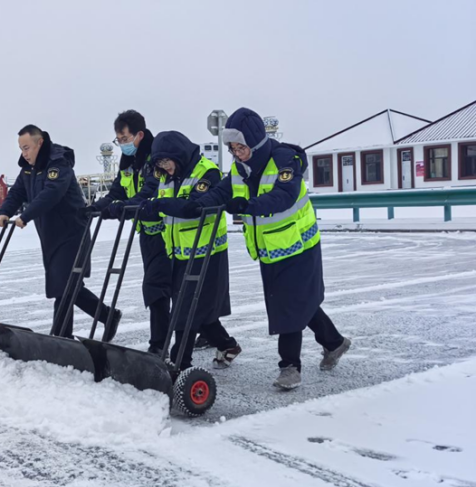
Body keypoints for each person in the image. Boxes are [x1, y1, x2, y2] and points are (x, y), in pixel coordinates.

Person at [173, 107, 351, 389]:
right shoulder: (239, 168)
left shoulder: (284, 160)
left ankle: (290, 367)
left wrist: (248, 205)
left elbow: (284, 196)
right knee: (296, 301)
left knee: (288, 304)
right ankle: (334, 342)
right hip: (271, 247)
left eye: (241, 147)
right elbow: (221, 192)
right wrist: (197, 205)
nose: (237, 153)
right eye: (232, 148)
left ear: (255, 142)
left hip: (299, 244)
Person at [0, 124, 121, 340]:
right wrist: (4, 212)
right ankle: (107, 316)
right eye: (21, 149)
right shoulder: (28, 169)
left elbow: (51, 194)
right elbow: (17, 192)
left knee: (64, 286)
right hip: (51, 236)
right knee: (68, 286)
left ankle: (62, 337)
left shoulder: (58, 164)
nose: (24, 153)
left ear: (39, 143)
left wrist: (26, 215)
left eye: (26, 148)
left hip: (72, 232)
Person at [133, 130, 240, 371]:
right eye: (159, 164)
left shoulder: (207, 172)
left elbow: (192, 207)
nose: (164, 168)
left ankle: (180, 363)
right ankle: (227, 345)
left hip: (207, 252)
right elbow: (158, 203)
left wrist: (160, 205)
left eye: (166, 161)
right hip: (179, 252)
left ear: (178, 155)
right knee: (197, 309)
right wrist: (137, 209)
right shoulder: (167, 177)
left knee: (186, 309)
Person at [82, 110, 170, 356]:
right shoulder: (128, 162)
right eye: (118, 140)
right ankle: (215, 336)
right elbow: (117, 191)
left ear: (139, 135)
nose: (121, 144)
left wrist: (121, 208)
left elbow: (149, 192)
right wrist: (95, 208)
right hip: (147, 234)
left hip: (167, 234)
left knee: (156, 288)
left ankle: (159, 346)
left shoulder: (157, 158)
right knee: (163, 288)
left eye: (124, 138)